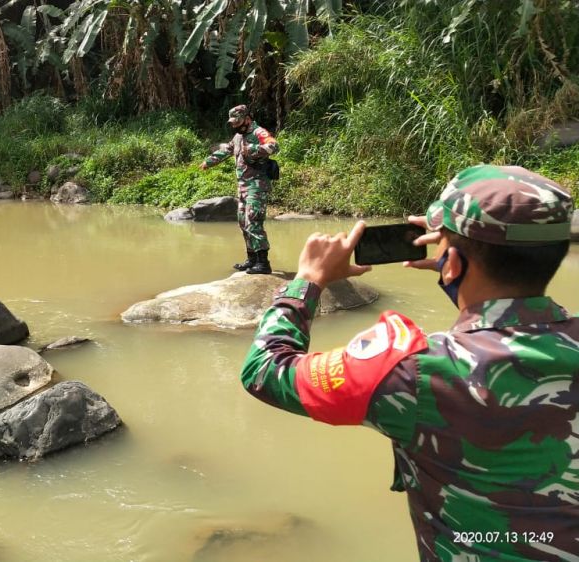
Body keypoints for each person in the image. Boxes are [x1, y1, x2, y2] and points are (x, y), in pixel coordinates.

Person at [239, 164, 577, 561]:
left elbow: (264, 369)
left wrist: (308, 280)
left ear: (450, 261)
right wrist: (461, 266)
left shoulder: (413, 372)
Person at [200, 105, 279, 274]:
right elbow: (227, 150)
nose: (235, 125)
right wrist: (209, 162)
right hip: (242, 187)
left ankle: (263, 264)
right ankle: (252, 260)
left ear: (247, 118)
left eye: (237, 121)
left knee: (253, 221)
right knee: (243, 222)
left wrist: (253, 149)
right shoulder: (238, 136)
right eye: (233, 123)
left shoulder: (258, 132)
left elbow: (274, 146)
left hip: (256, 186)